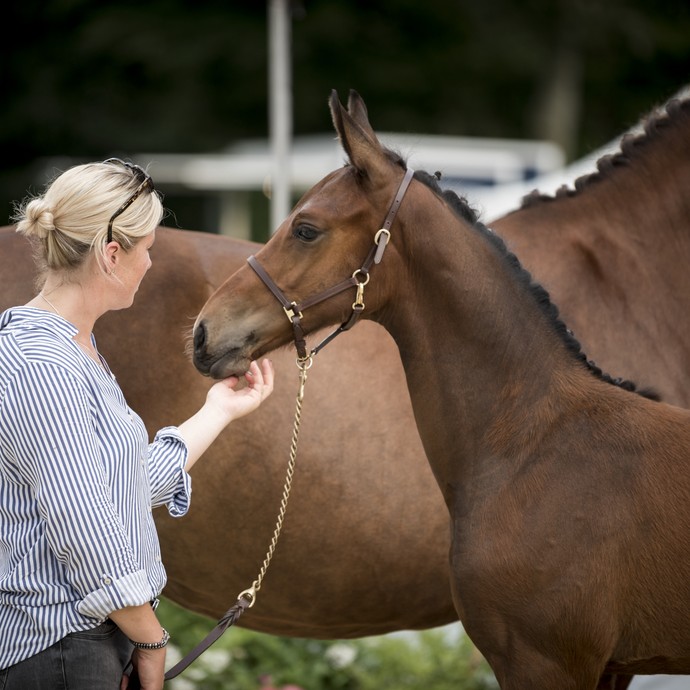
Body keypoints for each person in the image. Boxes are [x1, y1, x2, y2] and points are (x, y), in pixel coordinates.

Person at [0, 159, 275, 690]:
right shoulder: (38, 362)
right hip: (59, 650)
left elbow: (119, 488)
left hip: (89, 641)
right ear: (110, 255)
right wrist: (151, 638)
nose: (150, 263)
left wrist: (218, 410)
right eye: (147, 248)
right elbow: (84, 524)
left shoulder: (76, 351)